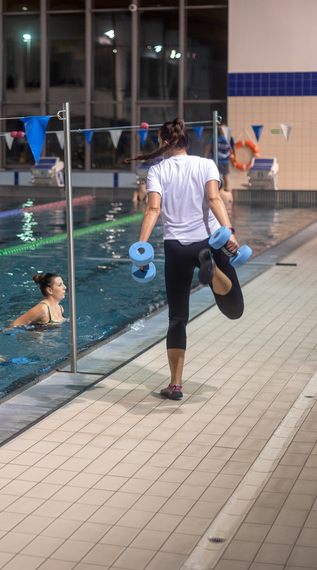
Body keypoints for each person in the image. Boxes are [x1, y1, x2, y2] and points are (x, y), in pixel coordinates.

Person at [129, 117, 244, 401]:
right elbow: (215, 200)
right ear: (185, 141)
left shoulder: (156, 170)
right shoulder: (205, 164)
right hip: (208, 241)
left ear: (165, 142)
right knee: (234, 309)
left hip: (175, 248)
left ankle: (175, 385)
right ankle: (213, 269)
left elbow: (153, 210)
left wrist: (141, 248)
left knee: (177, 318)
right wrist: (228, 231)